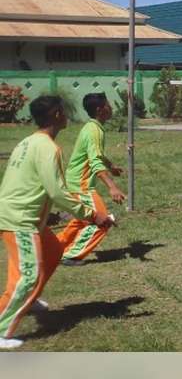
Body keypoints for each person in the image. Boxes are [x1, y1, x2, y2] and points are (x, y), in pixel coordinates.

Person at [0, 96, 113, 349]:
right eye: (63, 111)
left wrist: (46, 211)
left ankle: (28, 300)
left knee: (53, 251)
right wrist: (93, 215)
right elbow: (58, 192)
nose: (67, 114)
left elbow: (28, 181)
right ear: (56, 115)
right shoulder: (48, 148)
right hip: (20, 220)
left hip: (24, 216)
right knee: (27, 276)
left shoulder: (28, 142)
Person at [58, 93, 126, 266]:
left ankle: (55, 248)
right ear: (100, 110)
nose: (111, 108)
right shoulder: (94, 130)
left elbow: (97, 155)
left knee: (82, 219)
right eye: (108, 105)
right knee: (101, 220)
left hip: (75, 181)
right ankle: (71, 255)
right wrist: (112, 187)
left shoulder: (93, 127)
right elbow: (94, 161)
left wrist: (111, 166)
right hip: (81, 184)